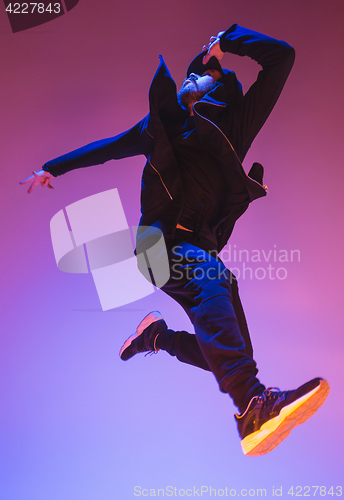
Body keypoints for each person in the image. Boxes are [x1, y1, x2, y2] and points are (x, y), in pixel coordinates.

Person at [20, 24, 329, 456]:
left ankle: (157, 338)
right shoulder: (159, 124)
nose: (192, 78)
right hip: (157, 246)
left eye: (204, 74)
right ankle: (252, 405)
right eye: (190, 73)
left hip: (198, 245)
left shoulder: (234, 125)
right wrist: (51, 167)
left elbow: (283, 57)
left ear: (220, 87)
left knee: (228, 345)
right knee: (213, 283)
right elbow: (107, 148)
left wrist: (229, 41)